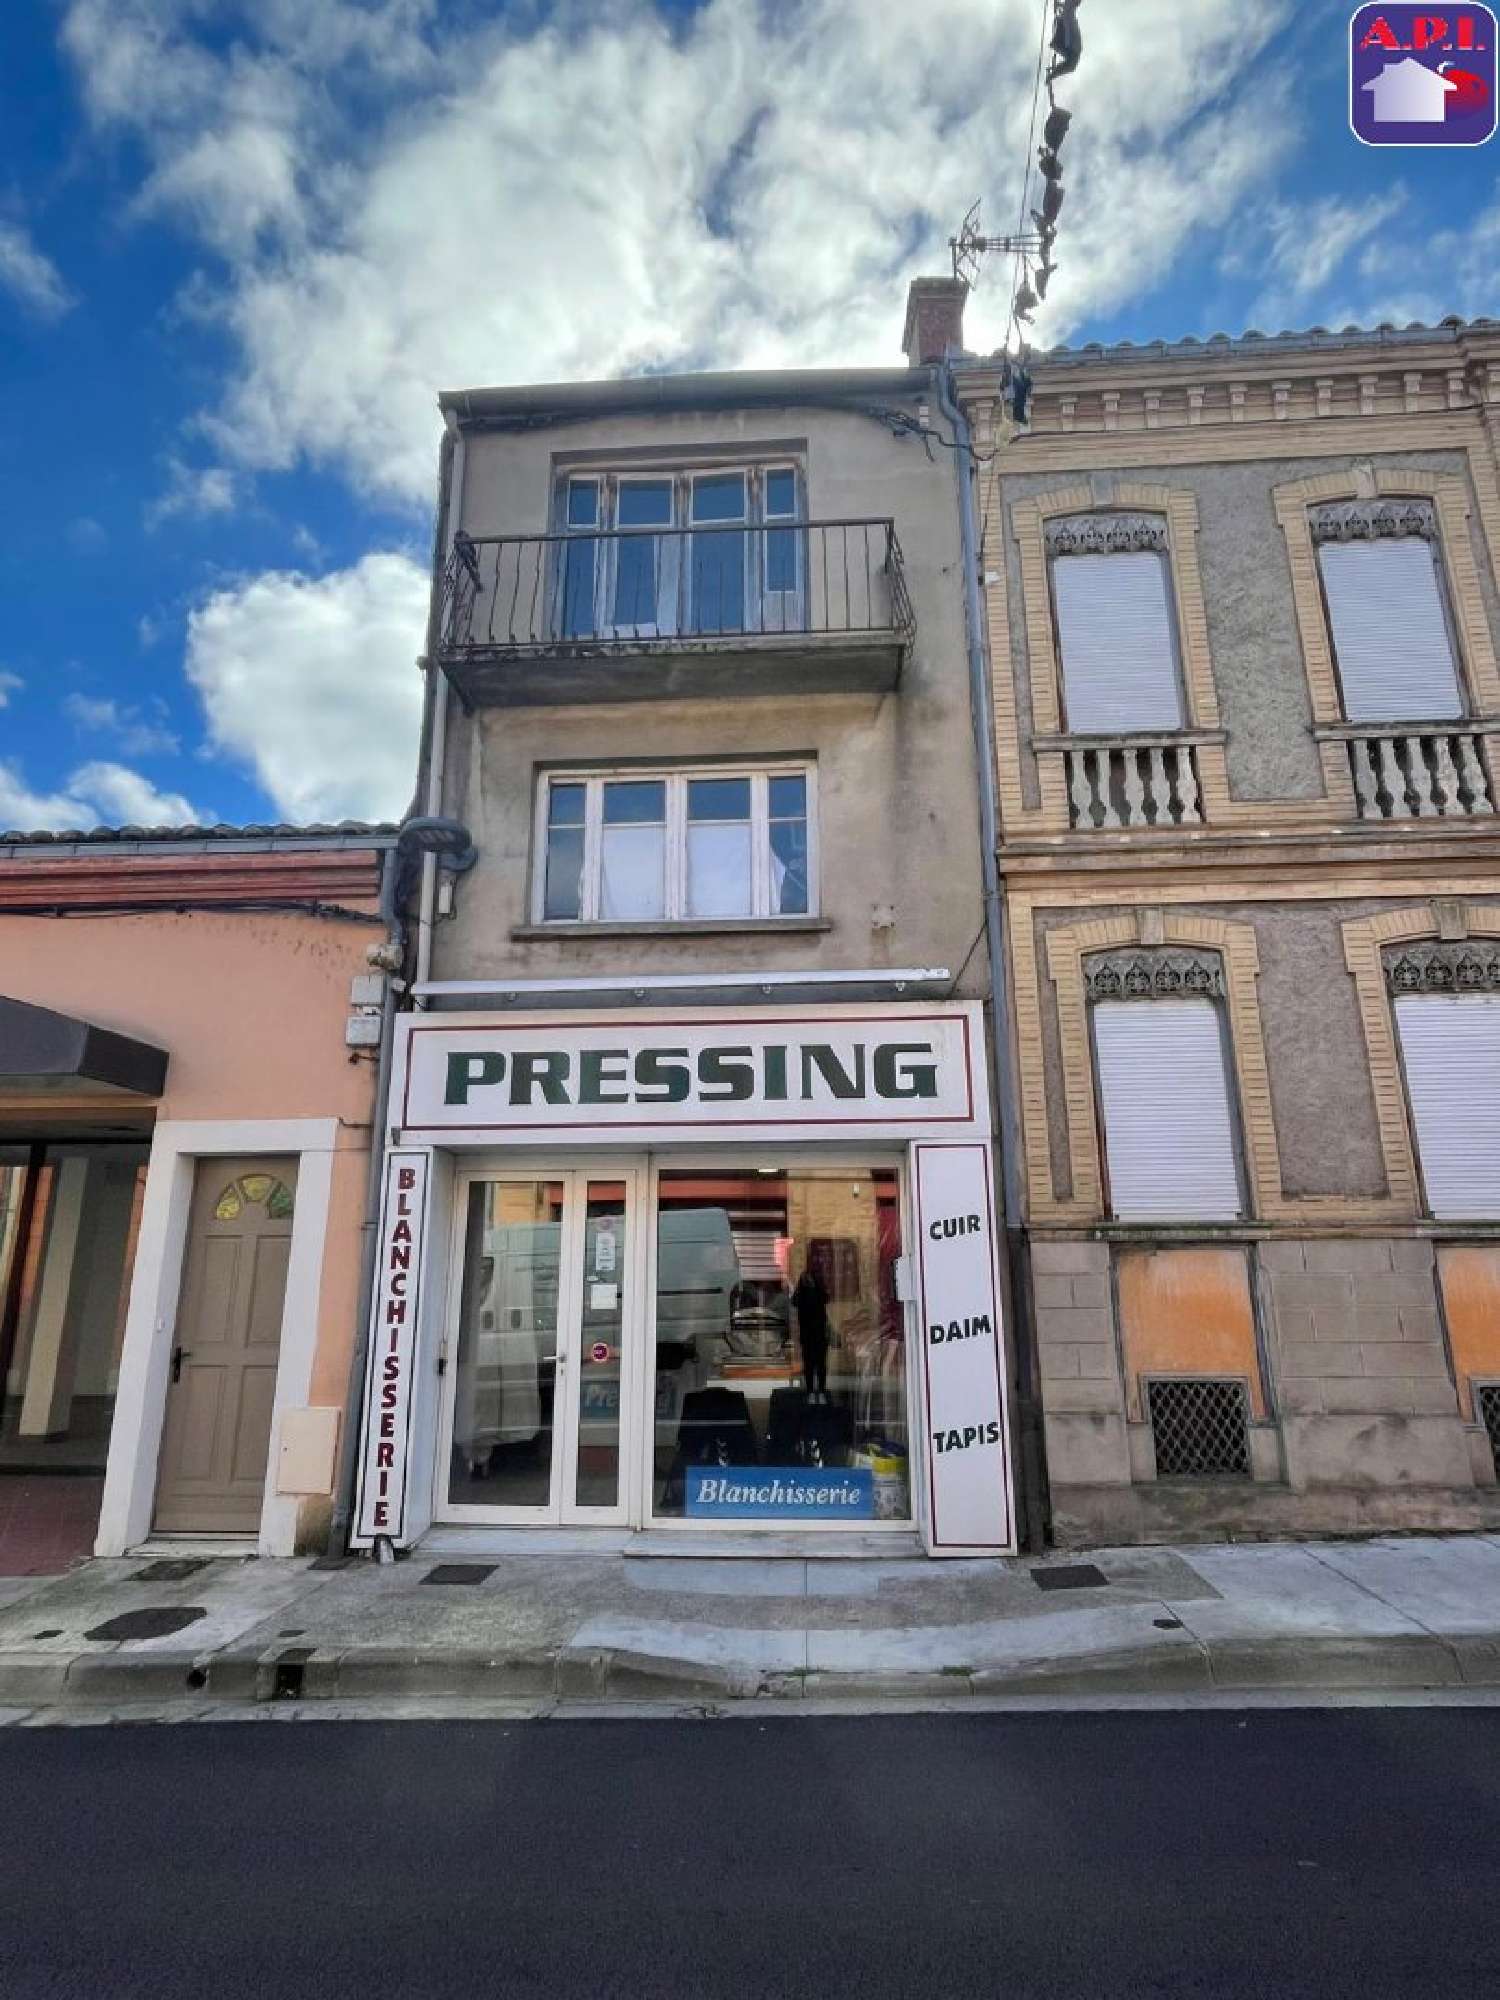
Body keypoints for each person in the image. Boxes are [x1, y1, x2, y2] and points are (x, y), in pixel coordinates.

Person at [792, 1265, 831, 1400]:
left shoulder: (804, 1295)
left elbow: (794, 1302)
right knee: (818, 1364)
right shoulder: (816, 1293)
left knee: (811, 1364)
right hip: (816, 1334)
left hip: (810, 1334)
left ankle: (813, 1392)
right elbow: (826, 1298)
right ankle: (818, 1392)